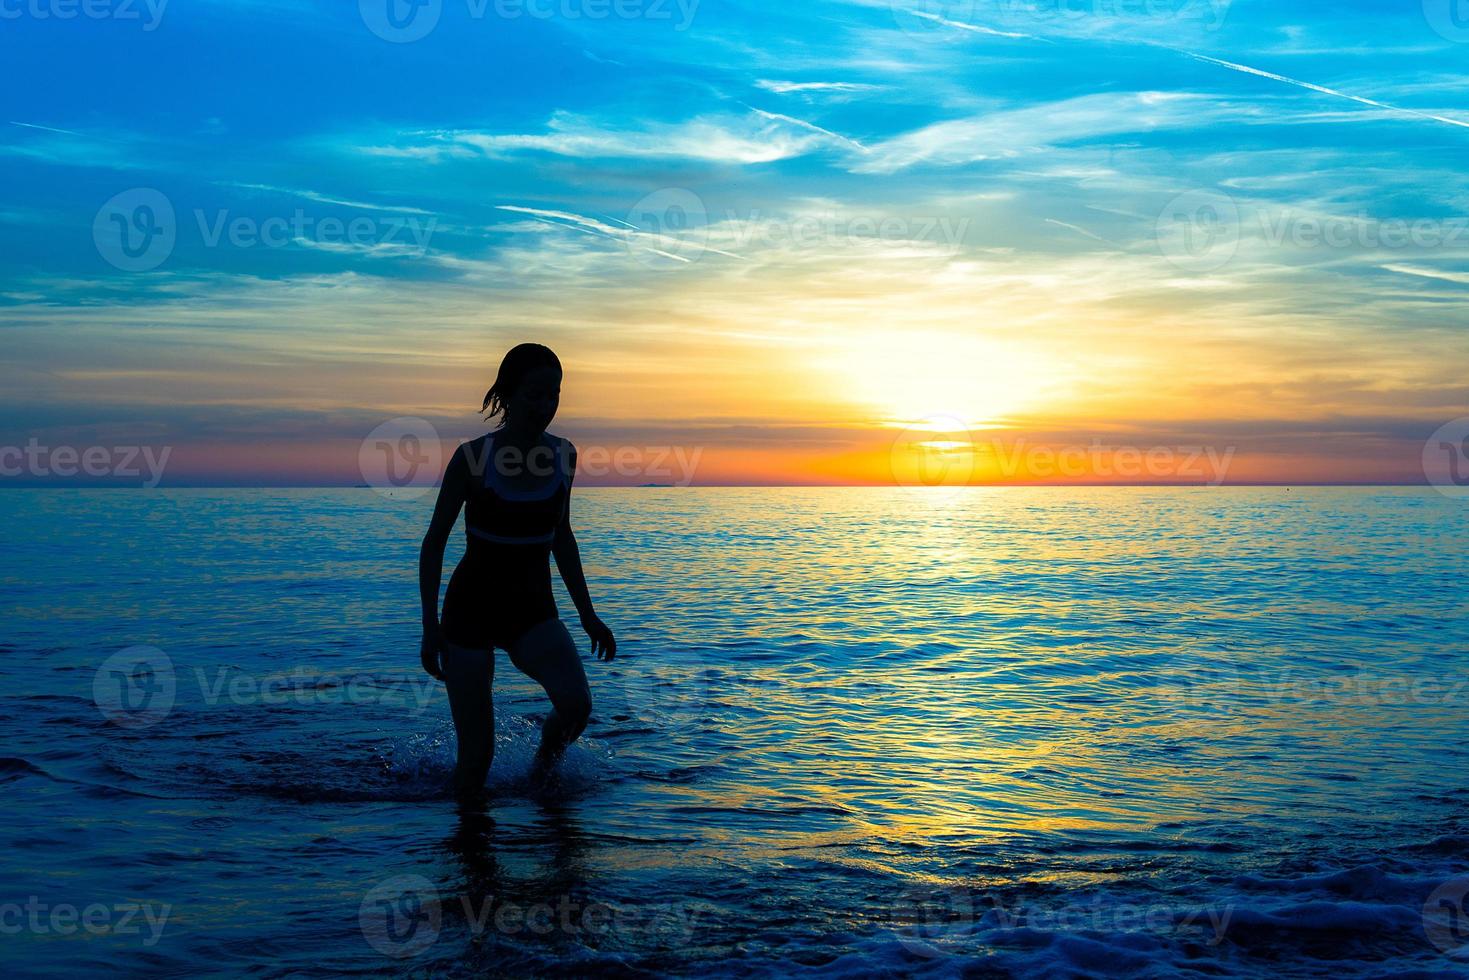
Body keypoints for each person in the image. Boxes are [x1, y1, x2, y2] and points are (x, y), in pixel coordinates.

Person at [418, 343, 617, 796]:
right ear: (508, 395)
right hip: (470, 611)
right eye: (534, 395)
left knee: (575, 705)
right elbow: (434, 543)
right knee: (476, 761)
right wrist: (430, 628)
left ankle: (541, 776)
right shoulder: (472, 458)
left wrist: (588, 614)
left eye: (554, 395)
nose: (545, 406)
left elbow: (562, 537)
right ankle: (467, 852)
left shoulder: (565, 455)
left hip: (532, 609)